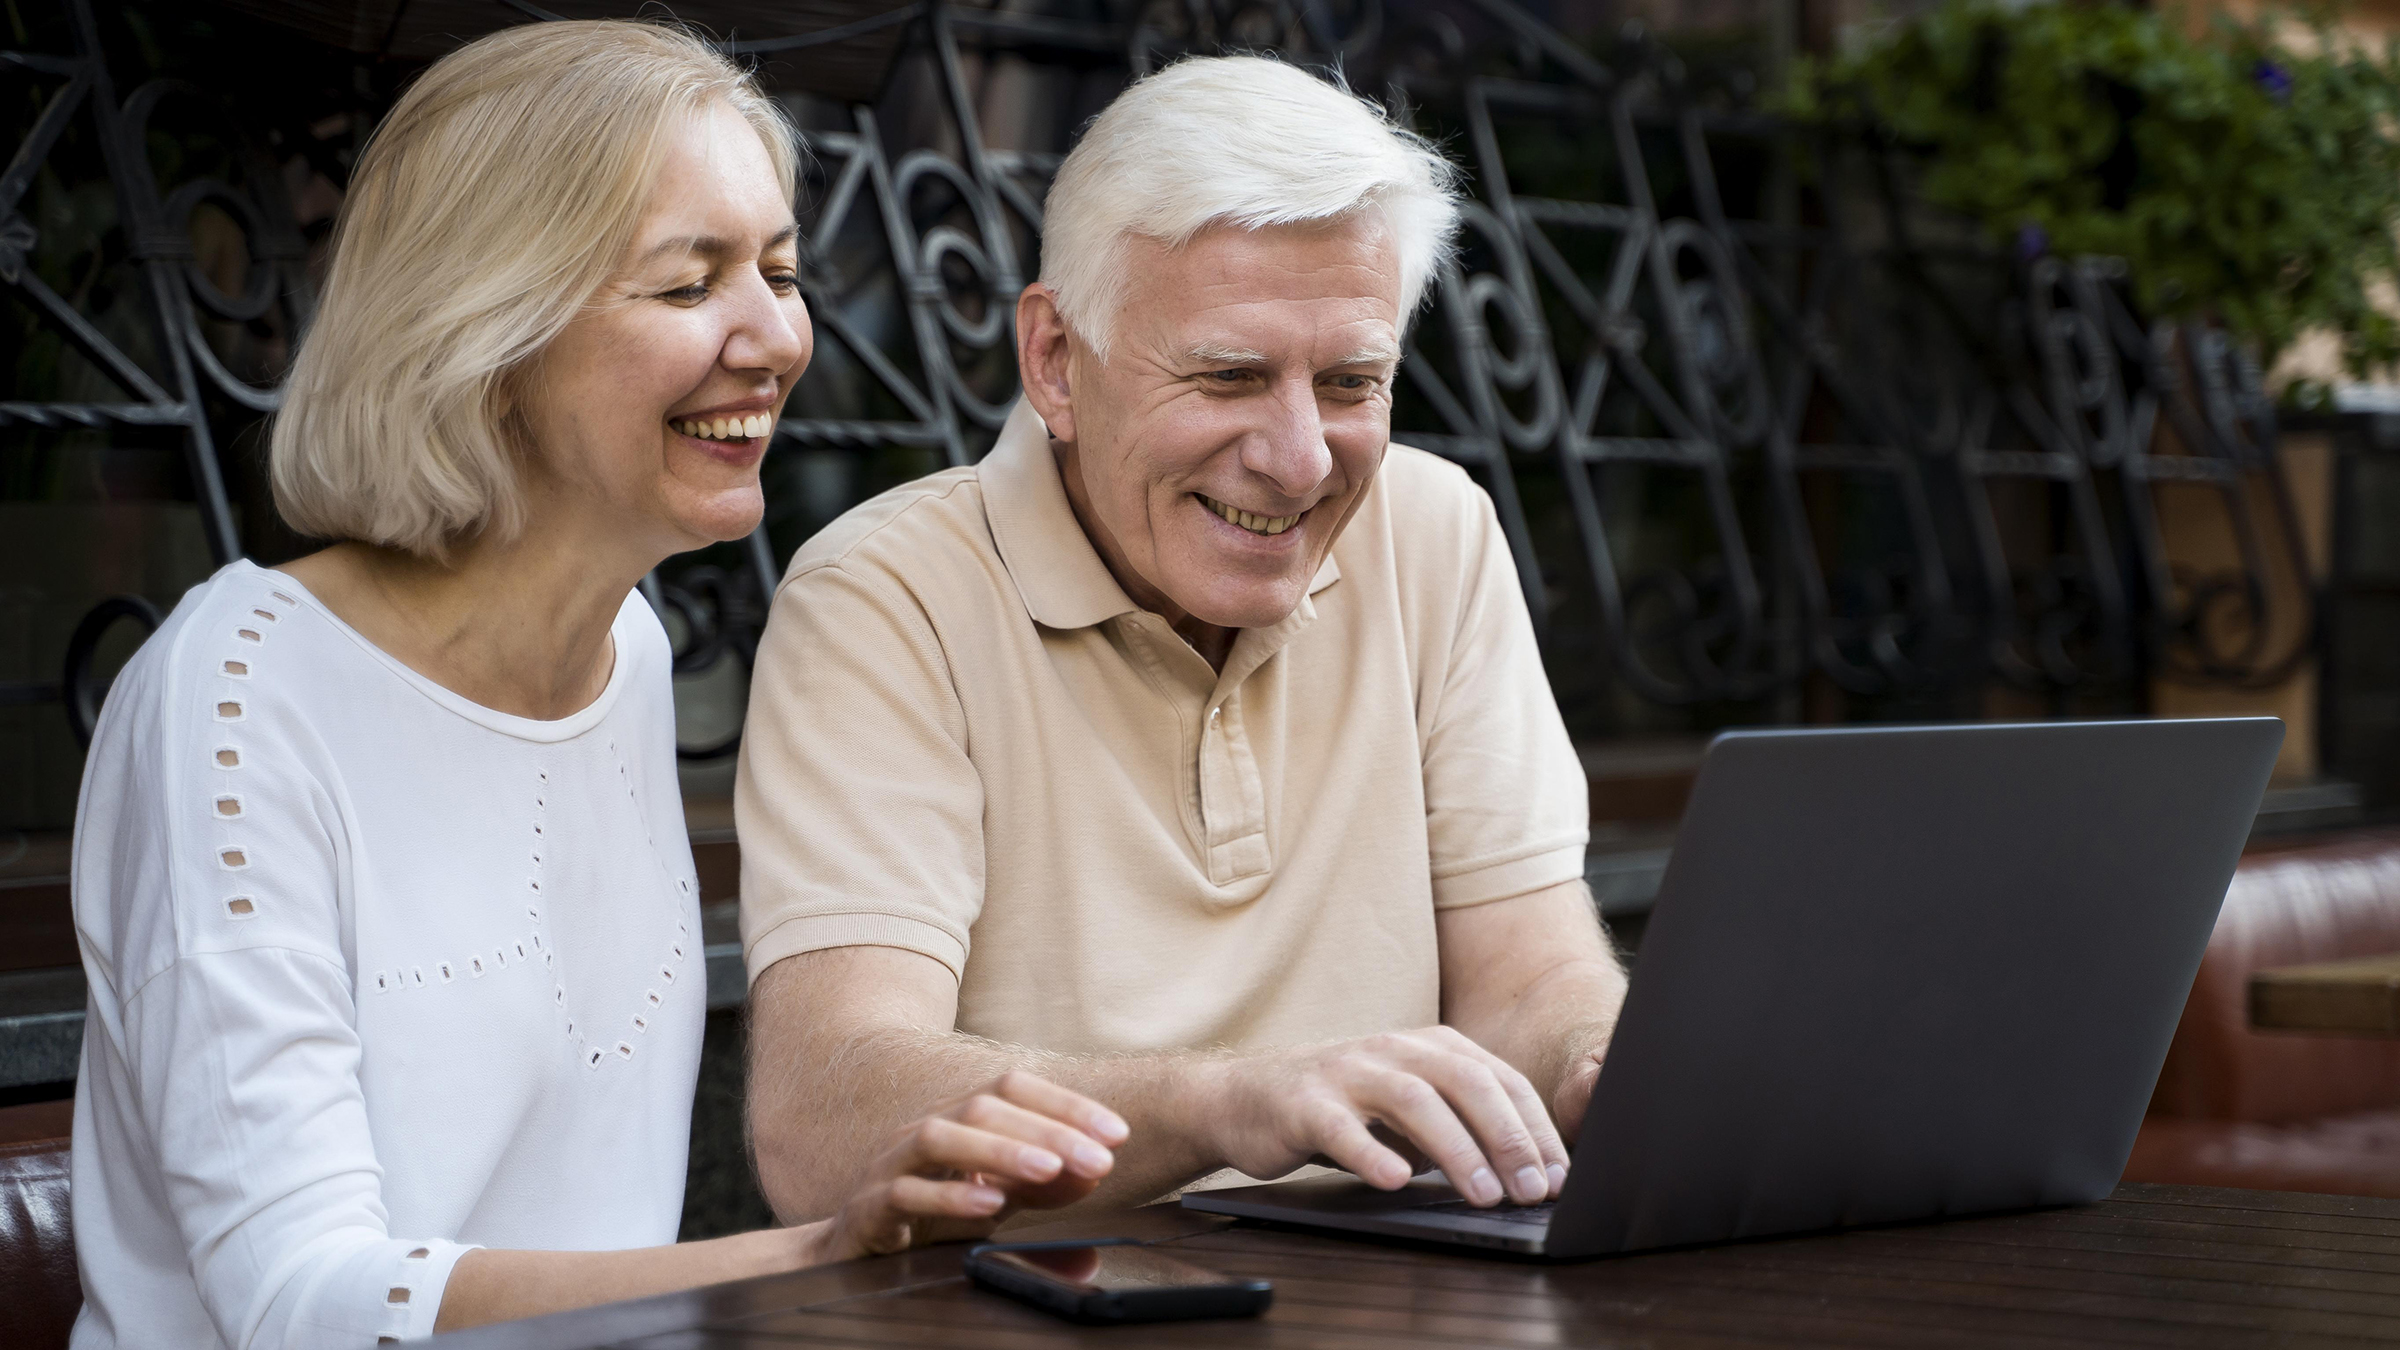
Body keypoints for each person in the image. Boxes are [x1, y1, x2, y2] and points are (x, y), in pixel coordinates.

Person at [67, 23, 1120, 1349]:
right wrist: (811, 1256)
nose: (776, 337)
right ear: (488, 328)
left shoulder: (630, 654)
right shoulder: (233, 698)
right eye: (690, 288)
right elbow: (302, 1303)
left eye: (781, 272)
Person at [737, 55, 1629, 1223]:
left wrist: (1602, 1070)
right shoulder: (886, 593)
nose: (1303, 458)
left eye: (1353, 380)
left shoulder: (1435, 528)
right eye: (1230, 376)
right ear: (1055, 360)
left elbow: (1535, 976)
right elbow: (821, 1120)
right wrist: (1231, 1106)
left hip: (1398, 1300)